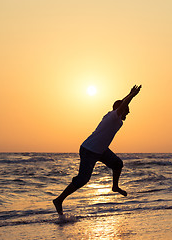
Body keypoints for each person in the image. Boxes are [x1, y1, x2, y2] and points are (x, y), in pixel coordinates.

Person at [53, 85, 142, 215]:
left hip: (100, 150)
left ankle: (115, 186)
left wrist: (128, 94)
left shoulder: (114, 117)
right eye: (126, 110)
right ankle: (59, 200)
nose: (128, 112)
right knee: (83, 179)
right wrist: (132, 96)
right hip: (89, 150)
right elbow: (121, 105)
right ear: (121, 109)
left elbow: (120, 104)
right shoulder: (113, 116)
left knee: (117, 164)